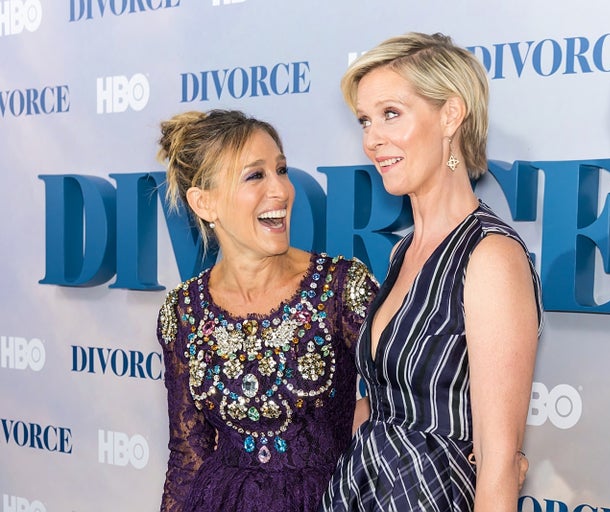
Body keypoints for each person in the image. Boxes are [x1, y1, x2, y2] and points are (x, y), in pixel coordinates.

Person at [321, 32, 543, 511]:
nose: (372, 139)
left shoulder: (490, 256)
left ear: (450, 115)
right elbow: (387, 409)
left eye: (391, 114)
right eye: (365, 120)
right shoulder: (404, 251)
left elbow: (498, 457)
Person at [155, 109, 379, 512]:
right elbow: (187, 455)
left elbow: (412, 400)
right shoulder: (183, 311)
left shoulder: (340, 287)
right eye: (255, 175)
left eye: (281, 169)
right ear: (204, 203)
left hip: (327, 501)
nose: (281, 190)